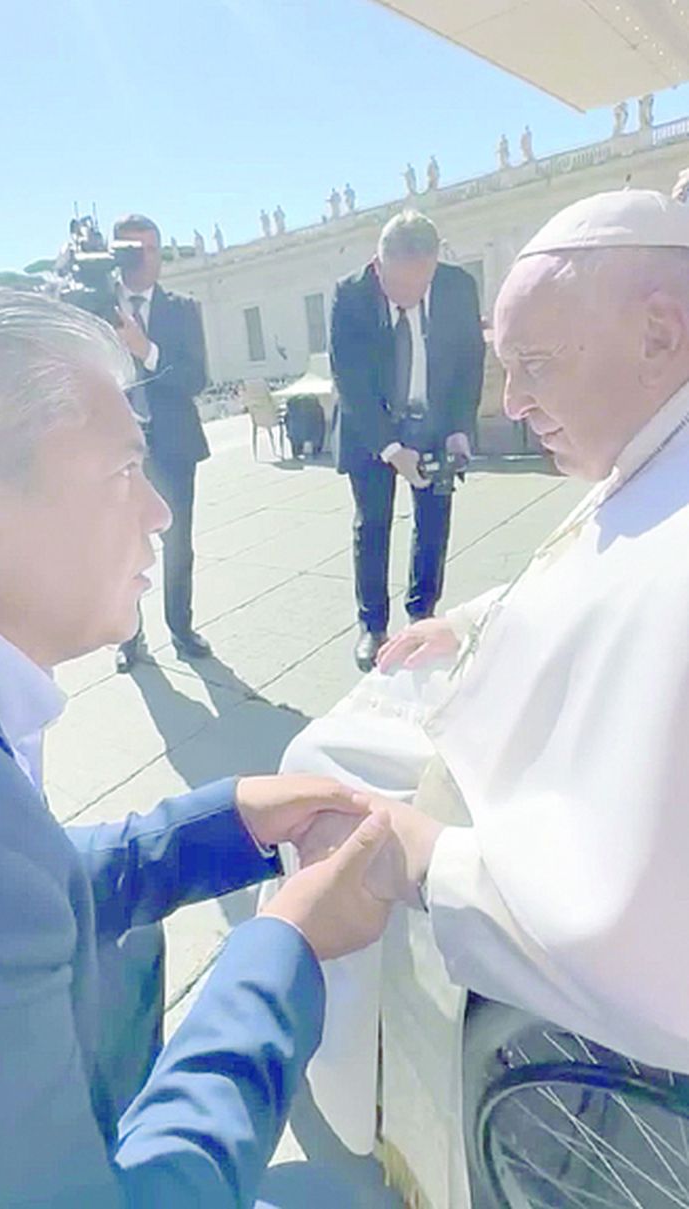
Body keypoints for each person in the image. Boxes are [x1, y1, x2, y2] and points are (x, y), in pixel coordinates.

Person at [0, 283, 398, 1207]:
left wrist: (213, 828)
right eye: (122, 472)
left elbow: (27, 888)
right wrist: (286, 947)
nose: (160, 513)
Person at [276, 187, 689, 1202]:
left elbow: (632, 913)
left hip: (531, 851)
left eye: (534, 367)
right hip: (526, 733)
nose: (509, 402)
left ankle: (356, 1082)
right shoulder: (655, 442)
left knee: (320, 775)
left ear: (660, 333)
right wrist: (462, 622)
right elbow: (598, 554)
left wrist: (438, 862)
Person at [330, 210, 484, 672]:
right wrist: (391, 448)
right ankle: (372, 625)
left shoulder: (457, 287)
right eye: (399, 288)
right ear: (378, 265)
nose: (410, 298)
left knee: (434, 522)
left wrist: (459, 428)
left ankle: (421, 616)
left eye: (421, 286)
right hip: (371, 428)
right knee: (372, 525)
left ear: (436, 264)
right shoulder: (351, 294)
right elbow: (350, 381)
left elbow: (469, 361)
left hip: (434, 421)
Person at [113, 213, 212, 673]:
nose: (144, 259)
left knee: (178, 543)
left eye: (152, 249)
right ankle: (129, 637)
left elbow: (196, 378)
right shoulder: (97, 309)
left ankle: (181, 627)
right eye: (133, 250)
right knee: (122, 546)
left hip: (172, 445)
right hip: (117, 454)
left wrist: (145, 350)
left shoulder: (182, 308)